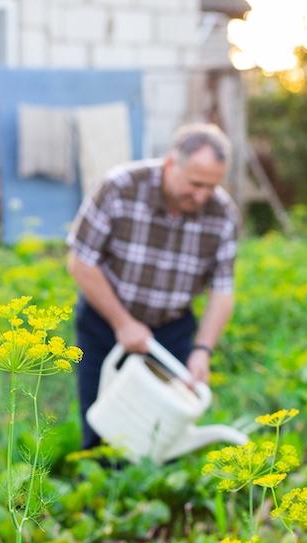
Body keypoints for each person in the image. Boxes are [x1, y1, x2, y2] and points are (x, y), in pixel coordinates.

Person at [66, 123, 239, 450]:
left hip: (171, 329)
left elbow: (222, 291)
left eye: (212, 186)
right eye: (195, 184)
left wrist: (202, 350)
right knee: (102, 427)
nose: (202, 195)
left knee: (164, 428)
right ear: (172, 164)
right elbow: (81, 262)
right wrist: (123, 323)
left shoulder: (223, 213)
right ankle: (100, 488)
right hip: (106, 321)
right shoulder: (120, 187)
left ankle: (154, 488)